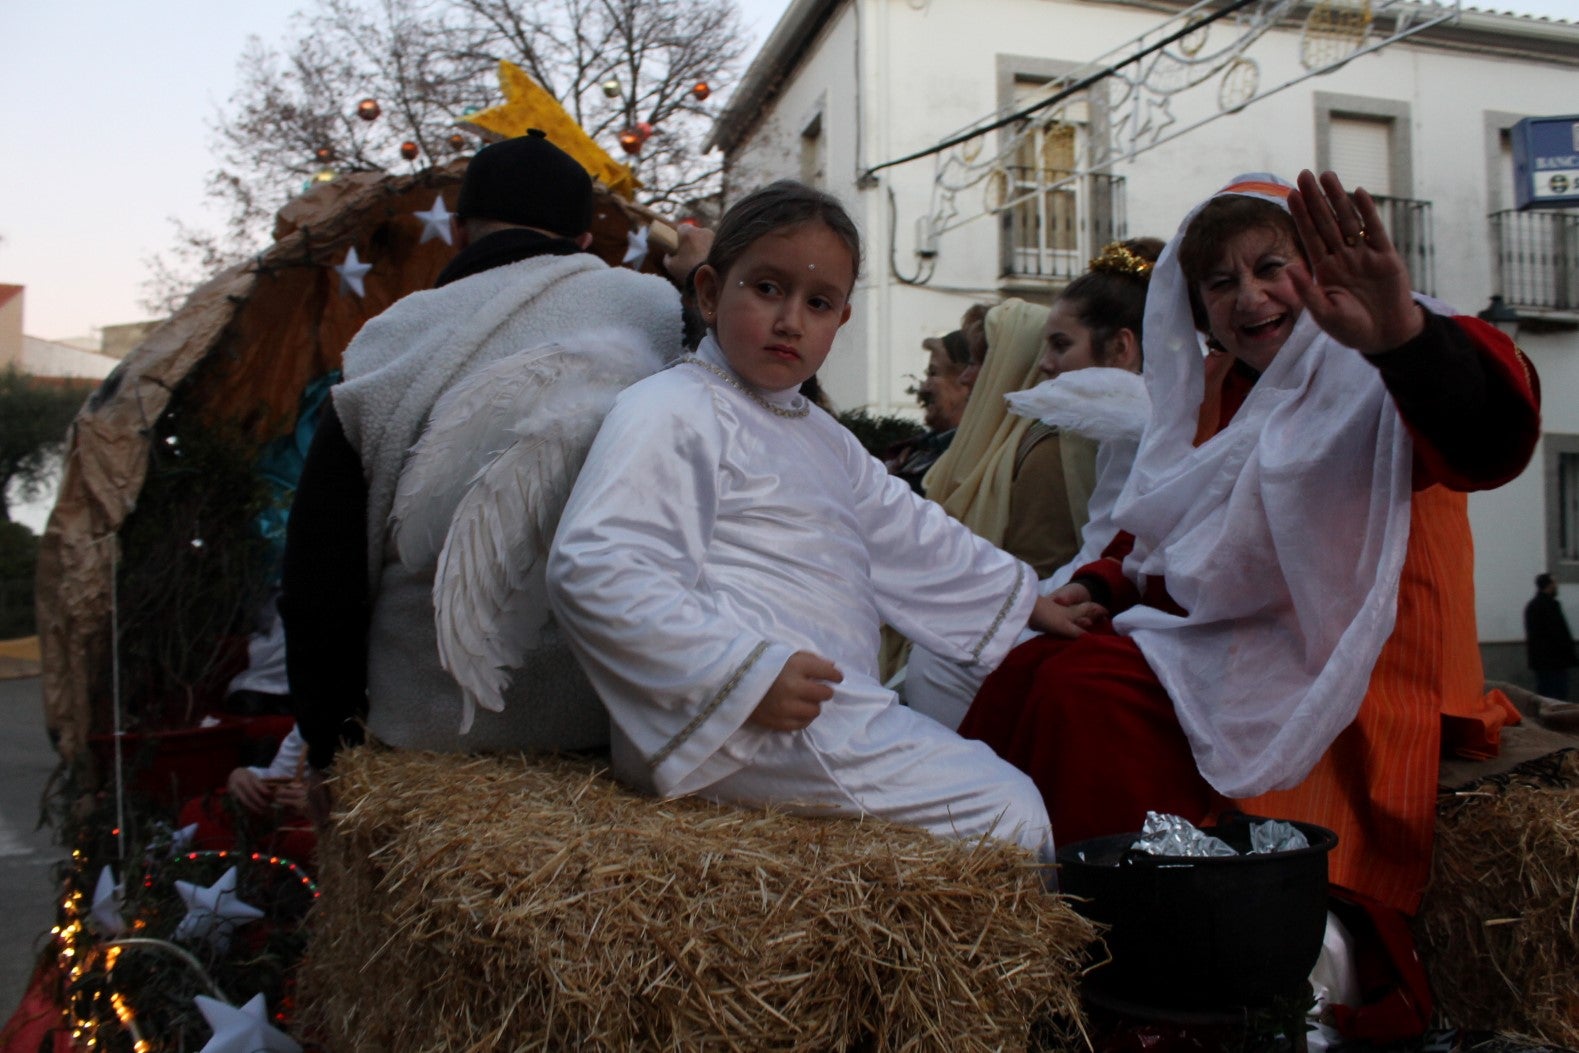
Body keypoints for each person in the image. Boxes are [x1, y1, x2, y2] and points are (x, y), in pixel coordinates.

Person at [960, 170, 1539, 1035]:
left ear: (1320, 264)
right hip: (1237, 645)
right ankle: (1020, 937)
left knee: (1091, 696)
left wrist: (1401, 339)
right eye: (1220, 282)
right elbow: (1162, 526)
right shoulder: (1218, 386)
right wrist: (1095, 585)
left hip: (1360, 664)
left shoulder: (1387, 352)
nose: (1250, 296)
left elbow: (1489, 437)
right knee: (1025, 668)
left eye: (1272, 266)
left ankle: (1159, 963)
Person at [545, 181, 1068, 861]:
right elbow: (595, 565)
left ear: (839, 321)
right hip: (737, 729)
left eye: (816, 303)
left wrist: (1026, 598)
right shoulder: (671, 408)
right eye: (767, 289)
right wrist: (742, 674)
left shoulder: (818, 433)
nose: (791, 320)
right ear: (709, 293)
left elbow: (907, 534)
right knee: (1008, 809)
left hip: (819, 708)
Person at [281, 130, 685, 775]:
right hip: (628, 728)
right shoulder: (664, 314)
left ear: (464, 232)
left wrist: (331, 751)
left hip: (433, 733)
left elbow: (318, 587)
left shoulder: (385, 343)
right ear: (583, 242)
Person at [907, 239, 1159, 729]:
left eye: (1061, 345)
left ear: (1122, 348)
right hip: (1096, 589)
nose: (1043, 363)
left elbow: (1111, 552)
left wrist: (1026, 602)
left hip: (1126, 606)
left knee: (944, 655)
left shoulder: (1131, 418)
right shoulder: (1109, 422)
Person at [882, 328, 975, 493]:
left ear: (965, 382)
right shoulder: (917, 449)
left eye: (933, 374)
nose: (924, 387)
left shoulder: (971, 461)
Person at [1525, 573, 1576, 700]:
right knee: (1557, 695)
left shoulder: (1532, 606)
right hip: (1555, 662)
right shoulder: (1550, 606)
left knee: (1545, 696)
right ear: (1548, 585)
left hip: (1542, 662)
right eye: (1554, 583)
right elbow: (1558, 633)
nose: (1556, 586)